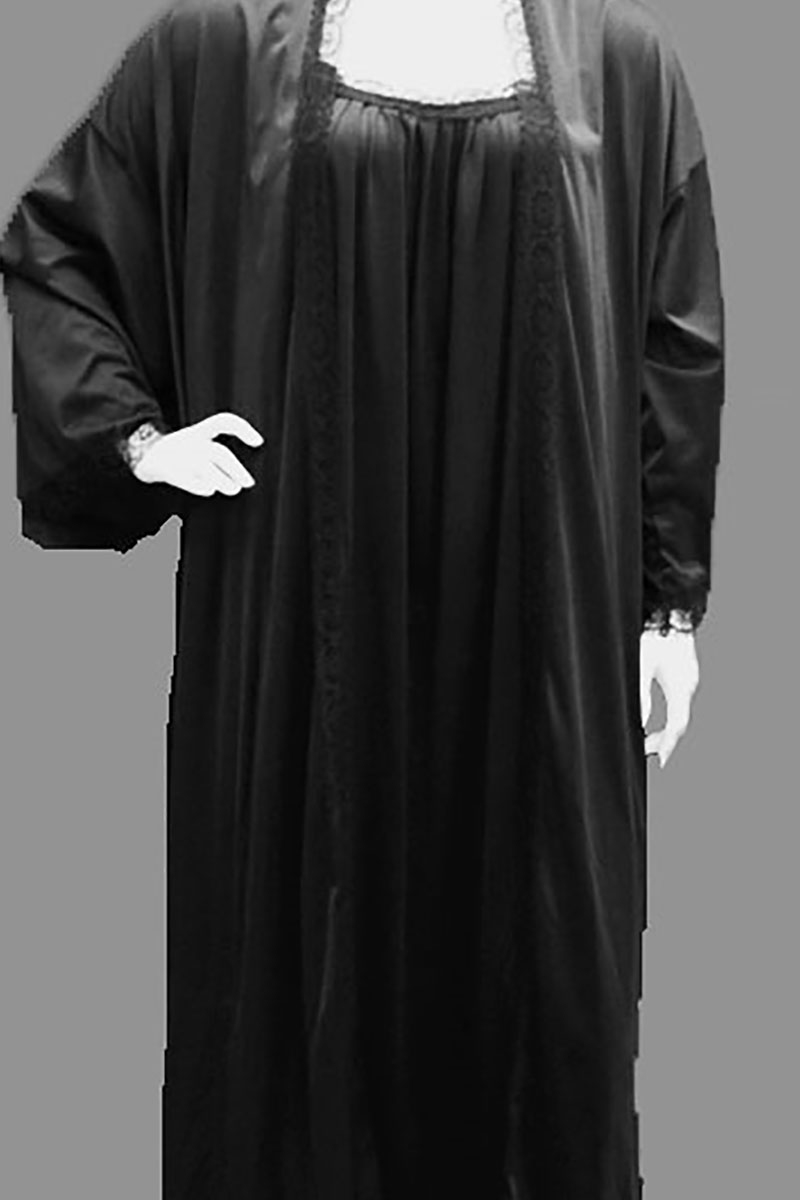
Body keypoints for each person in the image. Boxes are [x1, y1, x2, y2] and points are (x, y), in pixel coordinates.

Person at [0, 1, 725, 1197]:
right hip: (297, 599)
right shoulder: (213, 48)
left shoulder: (625, 65)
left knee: (537, 958)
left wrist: (669, 606)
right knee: (293, 953)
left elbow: (671, 342)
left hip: (542, 609)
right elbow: (59, 246)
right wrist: (135, 440)